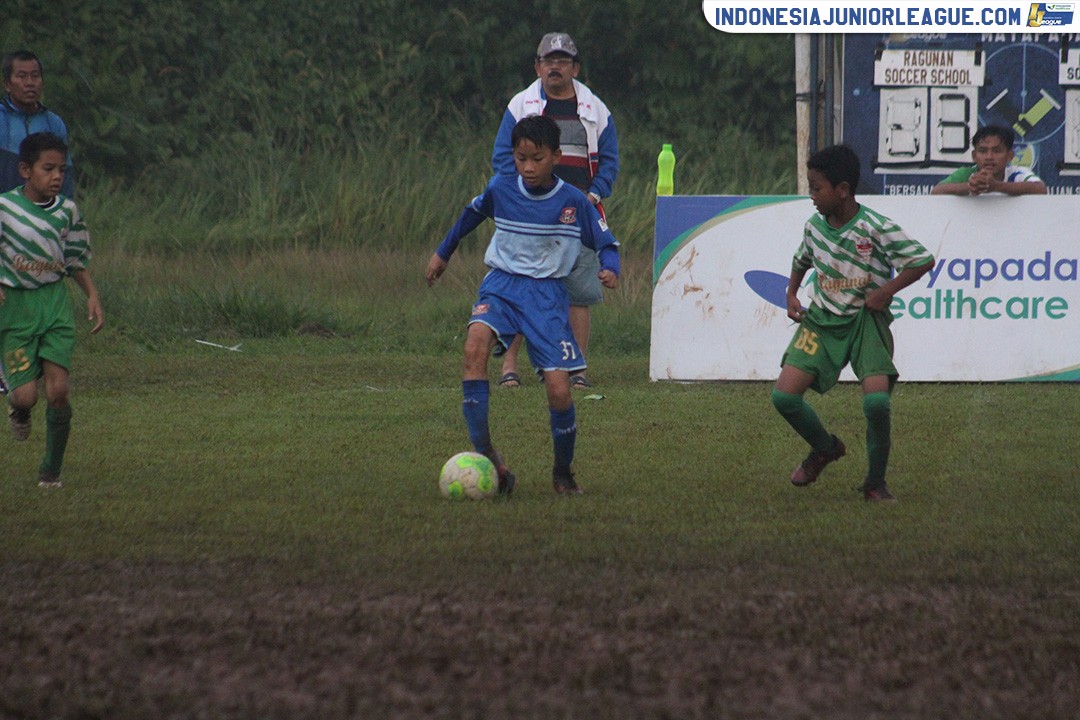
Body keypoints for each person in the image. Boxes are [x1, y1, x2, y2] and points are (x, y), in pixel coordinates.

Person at [425, 115, 619, 495]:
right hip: (501, 286)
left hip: (546, 297)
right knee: (473, 348)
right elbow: (471, 215)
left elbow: (606, 243)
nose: (528, 167)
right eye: (520, 158)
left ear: (556, 156)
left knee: (560, 391)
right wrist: (443, 253)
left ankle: (562, 473)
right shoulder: (501, 187)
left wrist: (611, 268)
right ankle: (490, 458)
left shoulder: (573, 201)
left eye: (537, 159)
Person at [771, 144, 934, 502]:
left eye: (817, 188)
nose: (812, 195)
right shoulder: (814, 227)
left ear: (842, 190)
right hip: (821, 322)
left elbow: (922, 260)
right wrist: (792, 293)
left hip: (865, 322)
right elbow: (802, 259)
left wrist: (886, 291)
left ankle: (875, 483)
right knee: (784, 397)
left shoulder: (876, 227)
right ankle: (825, 448)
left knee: (877, 405)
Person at [491, 32, 619, 390]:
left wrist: (593, 196)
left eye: (563, 61)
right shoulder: (521, 105)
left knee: (578, 293)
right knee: (520, 290)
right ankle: (509, 368)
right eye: (549, 61)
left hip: (578, 214)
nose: (555, 67)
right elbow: (503, 158)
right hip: (529, 215)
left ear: (575, 68)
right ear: (537, 66)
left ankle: (576, 369)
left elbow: (609, 161)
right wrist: (519, 197)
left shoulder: (596, 109)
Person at [0, 132, 104, 488]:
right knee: (26, 395)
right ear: (25, 170)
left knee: (58, 391)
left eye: (62, 169)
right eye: (48, 169)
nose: (57, 176)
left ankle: (51, 471)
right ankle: (18, 405)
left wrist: (92, 294)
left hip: (55, 304)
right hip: (16, 308)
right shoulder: (5, 209)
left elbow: (74, 260)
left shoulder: (67, 211)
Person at [1, 50, 75, 198]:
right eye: (21, 76)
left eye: (35, 76)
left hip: (43, 208)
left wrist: (66, 207)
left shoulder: (53, 123)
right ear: (7, 84)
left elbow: (65, 172)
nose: (29, 83)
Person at [931, 125, 1047, 196]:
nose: (989, 157)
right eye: (983, 151)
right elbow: (936, 191)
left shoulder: (1017, 173)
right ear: (974, 156)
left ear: (1010, 155)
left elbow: (1040, 189)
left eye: (997, 151)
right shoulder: (966, 173)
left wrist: (996, 186)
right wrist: (970, 187)